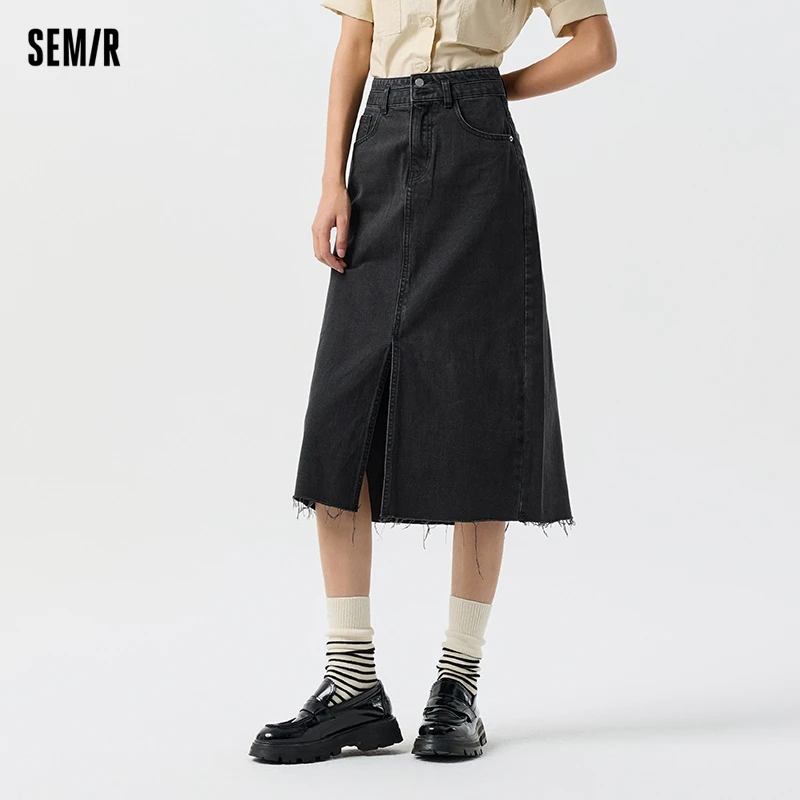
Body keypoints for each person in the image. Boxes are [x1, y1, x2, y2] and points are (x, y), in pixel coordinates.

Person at [249, 0, 616, 763]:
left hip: (478, 155)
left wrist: (495, 88)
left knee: (479, 408)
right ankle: (351, 684)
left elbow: (595, 46)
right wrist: (330, 180)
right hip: (378, 147)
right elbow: (355, 44)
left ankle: (458, 683)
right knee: (343, 418)